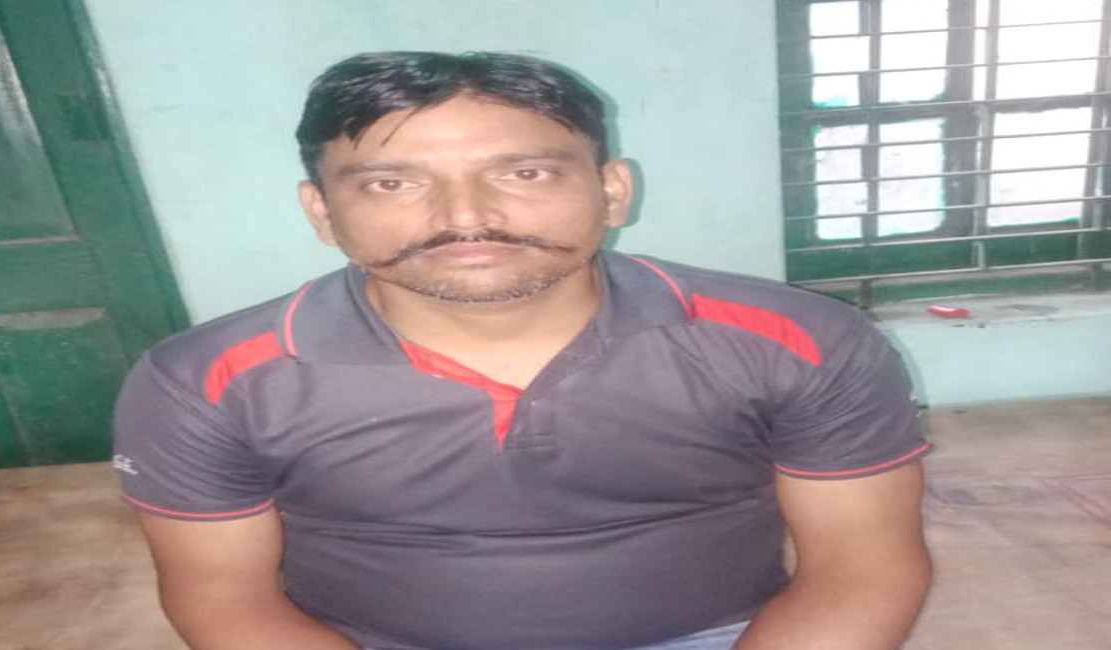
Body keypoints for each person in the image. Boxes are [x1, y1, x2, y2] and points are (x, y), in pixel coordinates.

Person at [113, 51, 933, 650]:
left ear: (612, 190)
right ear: (322, 212)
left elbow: (859, 570)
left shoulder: (800, 341)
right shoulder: (207, 381)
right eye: (392, 183)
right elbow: (226, 603)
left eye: (526, 174)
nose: (465, 215)